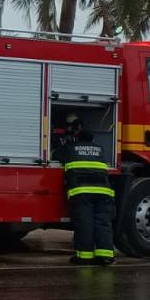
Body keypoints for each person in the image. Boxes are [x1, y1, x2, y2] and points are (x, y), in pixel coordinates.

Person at [55, 112, 115, 265]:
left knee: (85, 223)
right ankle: (106, 255)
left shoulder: (71, 148)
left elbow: (56, 155)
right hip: (104, 192)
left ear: (77, 138)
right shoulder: (100, 149)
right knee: (102, 222)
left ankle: (84, 257)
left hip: (82, 192)